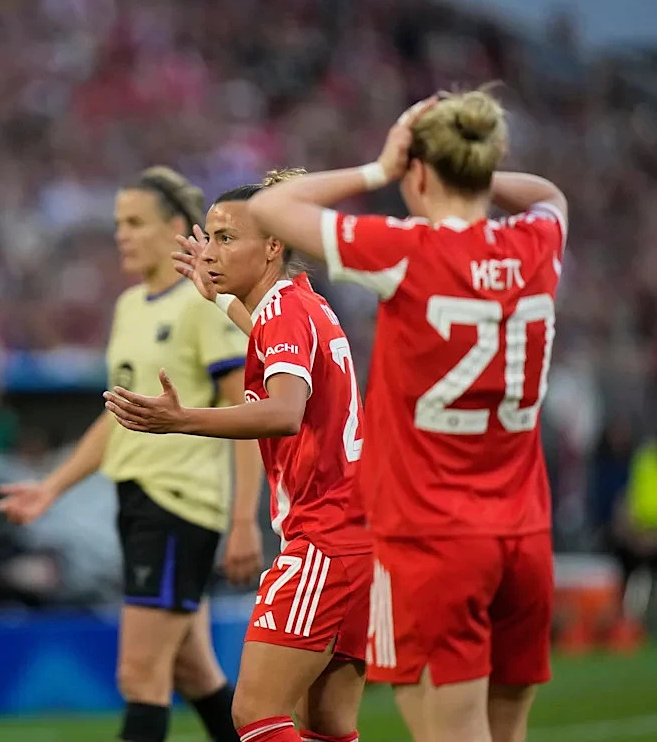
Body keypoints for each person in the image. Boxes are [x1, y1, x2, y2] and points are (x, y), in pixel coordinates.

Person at [239, 90, 567, 742]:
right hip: (525, 533)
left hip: (433, 538)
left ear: (418, 172)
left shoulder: (406, 250)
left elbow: (270, 208)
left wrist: (378, 168)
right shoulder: (535, 243)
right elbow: (550, 194)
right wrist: (472, 169)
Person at [0, 166, 263, 742]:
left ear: (175, 228)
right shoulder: (130, 307)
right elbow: (116, 417)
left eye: (135, 222)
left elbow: (247, 412)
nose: (121, 234)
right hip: (140, 500)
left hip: (178, 505)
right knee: (194, 672)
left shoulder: (202, 304)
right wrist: (51, 487)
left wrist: (244, 518)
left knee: (139, 676)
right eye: (119, 223)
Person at [104, 170, 372, 742]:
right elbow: (278, 357)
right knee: (326, 725)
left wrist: (183, 420)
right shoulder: (302, 304)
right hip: (359, 537)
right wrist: (224, 298)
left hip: (325, 537)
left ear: (273, 246)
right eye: (210, 238)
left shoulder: (283, 312)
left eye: (227, 239)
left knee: (255, 715)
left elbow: (283, 412)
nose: (211, 252)